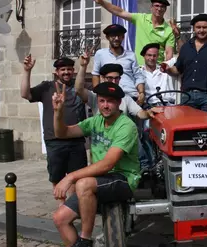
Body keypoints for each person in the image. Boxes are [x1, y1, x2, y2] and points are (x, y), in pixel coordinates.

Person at [52, 81, 140, 247]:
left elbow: (107, 164)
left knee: (83, 184)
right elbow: (62, 133)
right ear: (97, 101)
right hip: (100, 179)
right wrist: (58, 112)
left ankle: (85, 239)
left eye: (110, 101)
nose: (105, 106)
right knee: (60, 218)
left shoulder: (126, 126)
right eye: (102, 101)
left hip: (124, 178)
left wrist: (70, 177)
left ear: (119, 103)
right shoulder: (95, 121)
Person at [75, 50, 162, 170]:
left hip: (121, 149)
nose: (114, 82)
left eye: (117, 78)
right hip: (100, 148)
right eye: (110, 78)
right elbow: (79, 90)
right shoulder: (95, 97)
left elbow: (139, 113)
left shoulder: (125, 98)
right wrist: (83, 66)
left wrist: (148, 113)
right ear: (103, 78)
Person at [20, 55, 88, 207]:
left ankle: (73, 206)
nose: (66, 72)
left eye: (69, 69)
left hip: (76, 139)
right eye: (63, 69)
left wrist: (84, 66)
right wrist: (27, 71)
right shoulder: (47, 87)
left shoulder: (78, 87)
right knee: (57, 175)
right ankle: (62, 205)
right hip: (55, 140)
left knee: (76, 175)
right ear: (56, 72)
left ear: (73, 71)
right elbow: (25, 94)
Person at [94, 0, 175, 66]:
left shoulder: (169, 30)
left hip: (156, 69)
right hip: (138, 67)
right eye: (157, 6)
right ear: (151, 7)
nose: (159, 9)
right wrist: (103, 3)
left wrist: (165, 69)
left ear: (165, 9)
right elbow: (120, 12)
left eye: (162, 7)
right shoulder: (141, 18)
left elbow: (169, 54)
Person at [91, 24, 146, 106]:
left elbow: (138, 75)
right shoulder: (100, 54)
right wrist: (98, 95)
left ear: (123, 37)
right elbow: (96, 75)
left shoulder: (131, 55)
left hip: (130, 95)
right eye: (113, 36)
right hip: (110, 96)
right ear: (107, 37)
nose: (116, 38)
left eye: (119, 36)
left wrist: (141, 93)